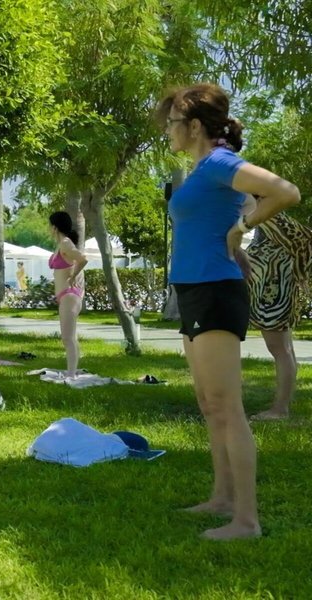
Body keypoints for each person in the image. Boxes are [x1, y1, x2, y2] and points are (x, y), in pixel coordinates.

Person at [157, 83, 300, 540]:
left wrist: (242, 227)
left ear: (194, 126)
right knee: (208, 403)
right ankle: (221, 498)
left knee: (227, 405)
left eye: (172, 124)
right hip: (195, 289)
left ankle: (246, 520)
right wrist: (234, 234)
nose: (168, 132)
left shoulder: (220, 162)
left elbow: (285, 192)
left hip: (216, 291)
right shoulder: (203, 168)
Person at [240, 203, 312, 420]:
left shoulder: (269, 212)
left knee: (280, 348)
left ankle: (280, 410)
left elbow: (305, 239)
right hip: (273, 287)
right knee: (283, 349)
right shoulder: (264, 213)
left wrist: (300, 273)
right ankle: (282, 404)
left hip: (275, 289)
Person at [48, 212, 88, 377]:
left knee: (67, 337)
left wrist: (73, 276)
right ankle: (72, 371)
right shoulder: (62, 244)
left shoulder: (65, 243)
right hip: (66, 296)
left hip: (69, 295)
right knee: (70, 337)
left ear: (55, 227)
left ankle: (71, 375)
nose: (48, 229)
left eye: (50, 225)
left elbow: (82, 259)